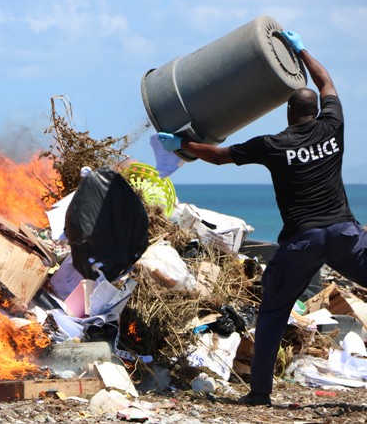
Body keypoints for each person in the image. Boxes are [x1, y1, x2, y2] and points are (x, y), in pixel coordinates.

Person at [157, 30, 367, 406]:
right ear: (314, 110)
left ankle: (259, 394)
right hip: (345, 234)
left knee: (273, 312)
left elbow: (220, 156)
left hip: (303, 241)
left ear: (288, 112)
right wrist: (300, 48)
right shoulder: (333, 125)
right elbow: (326, 82)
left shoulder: (273, 145)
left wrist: (182, 145)